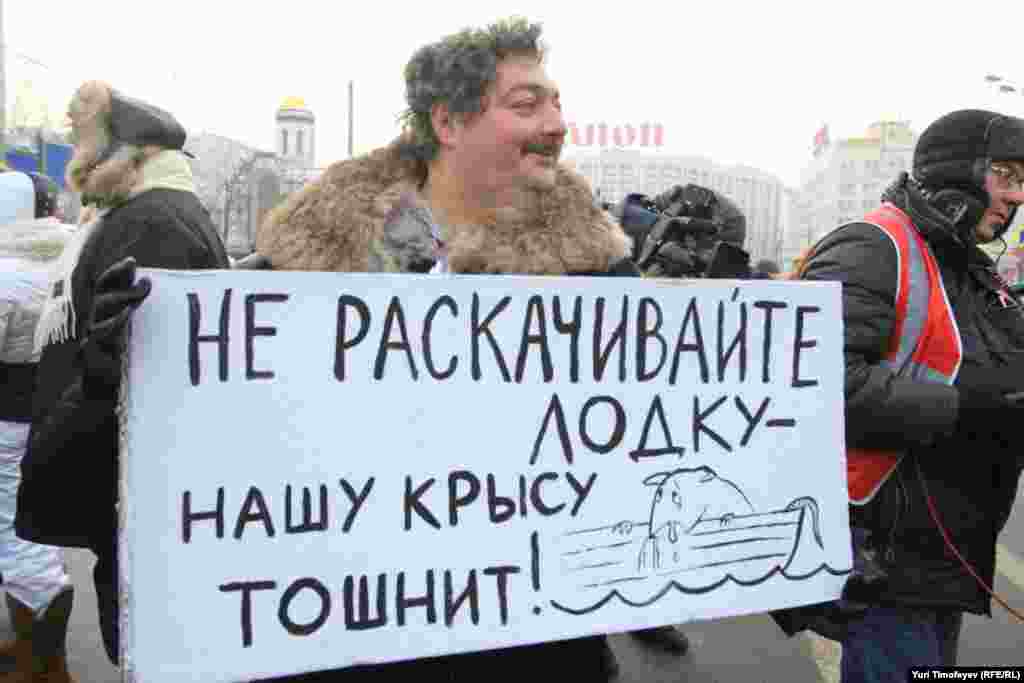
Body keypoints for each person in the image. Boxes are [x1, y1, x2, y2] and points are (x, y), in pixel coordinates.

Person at [239, 17, 635, 681]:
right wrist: (123, 360)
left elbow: (654, 440)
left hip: (532, 639)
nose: (557, 124)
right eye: (527, 103)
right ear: (449, 122)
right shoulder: (310, 259)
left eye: (558, 102)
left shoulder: (595, 267)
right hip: (352, 625)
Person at [794, 109, 1024, 681]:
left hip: (946, 558)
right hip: (885, 561)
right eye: (1005, 175)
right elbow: (816, 384)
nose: (1017, 197)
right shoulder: (872, 246)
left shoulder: (970, 269)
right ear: (957, 174)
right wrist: (965, 404)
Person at [14, 81, 230, 667]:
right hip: (126, 482)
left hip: (136, 488)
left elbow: (151, 373)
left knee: (142, 643)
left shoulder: (151, 222)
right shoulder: (142, 214)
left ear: (128, 158)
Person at [0, 171, 76, 682]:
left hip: (9, 417)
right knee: (33, 523)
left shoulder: (7, 271)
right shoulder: (73, 253)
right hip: (58, 411)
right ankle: (33, 648)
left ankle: (42, 659)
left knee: (15, 529)